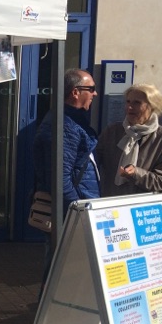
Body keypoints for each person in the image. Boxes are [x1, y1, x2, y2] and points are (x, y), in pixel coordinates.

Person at [32, 69, 101, 292]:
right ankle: (50, 320)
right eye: (91, 89)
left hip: (76, 208)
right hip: (72, 212)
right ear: (75, 92)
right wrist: (78, 211)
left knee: (65, 268)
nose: (95, 94)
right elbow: (59, 179)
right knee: (60, 269)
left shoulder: (71, 121)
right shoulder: (65, 126)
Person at [96, 84, 162, 197]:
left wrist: (136, 173)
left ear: (152, 106)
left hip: (141, 207)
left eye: (137, 103)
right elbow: (93, 165)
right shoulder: (112, 131)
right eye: (128, 102)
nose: (129, 107)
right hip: (110, 202)